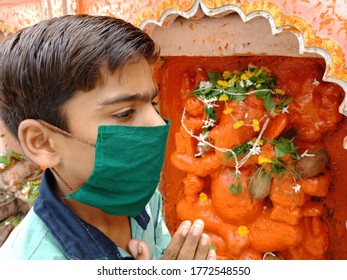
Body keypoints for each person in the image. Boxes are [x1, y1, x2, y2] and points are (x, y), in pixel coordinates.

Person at [0, 14, 216, 260]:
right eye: (125, 113)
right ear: (42, 142)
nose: (157, 123)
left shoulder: (140, 197)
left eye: (153, 103)